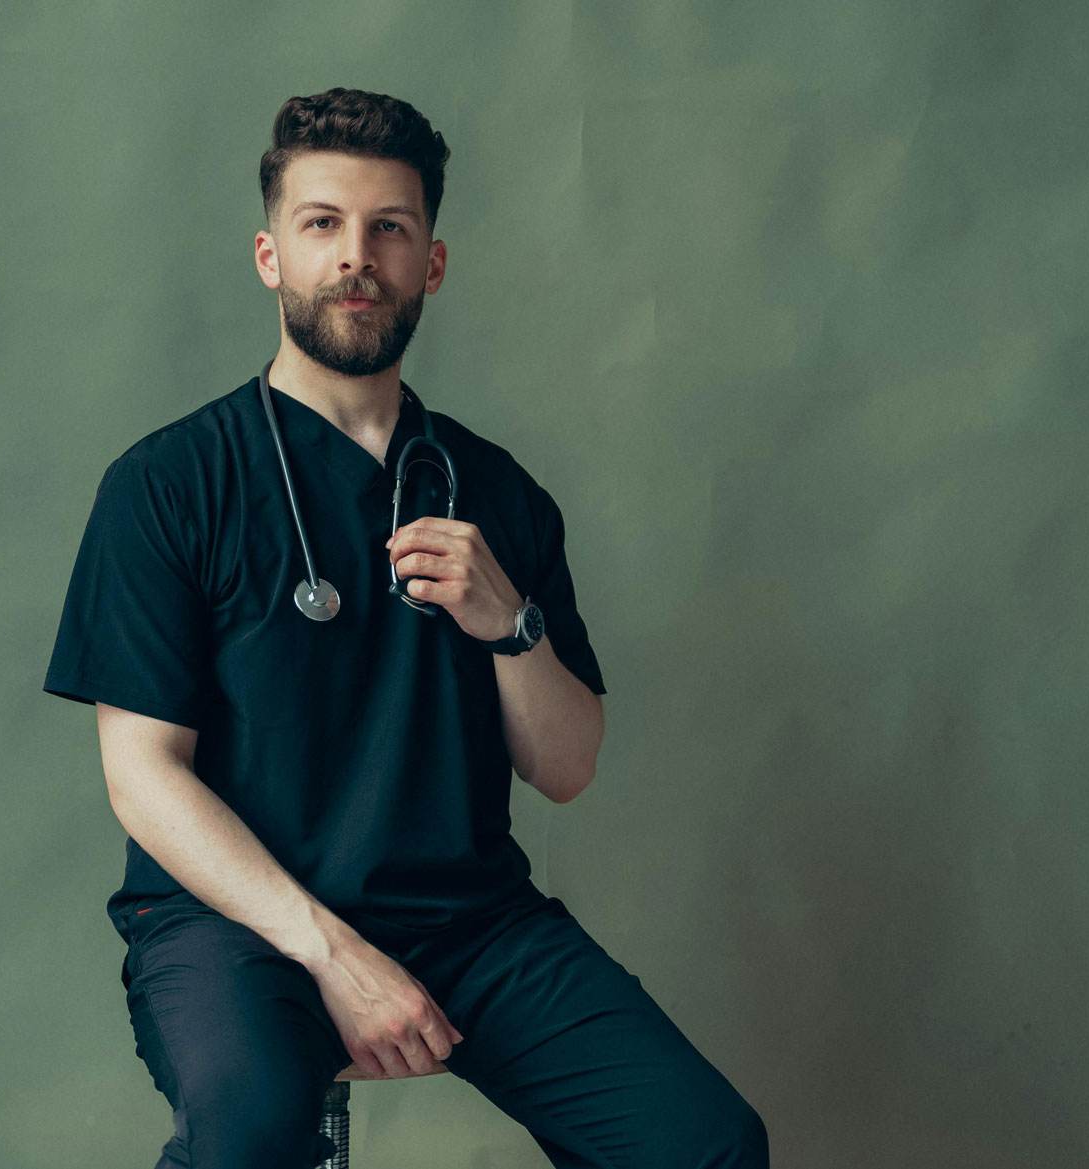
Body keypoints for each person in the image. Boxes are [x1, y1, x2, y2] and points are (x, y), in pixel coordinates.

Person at [43, 86, 768, 1169]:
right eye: (321, 223)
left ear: (431, 262)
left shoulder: (497, 492)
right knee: (251, 1132)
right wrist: (332, 951)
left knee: (704, 1142)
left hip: (466, 917)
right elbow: (143, 776)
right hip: (230, 924)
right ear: (268, 256)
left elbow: (566, 767)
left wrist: (508, 622)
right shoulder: (167, 484)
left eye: (390, 227)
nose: (356, 256)